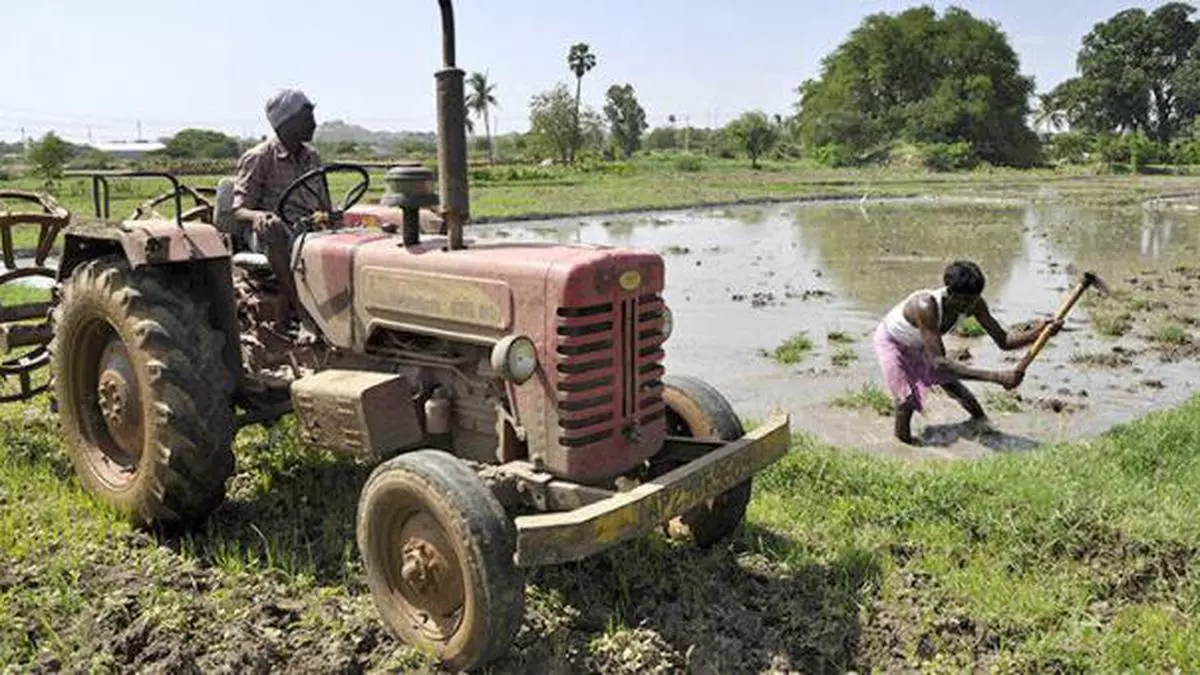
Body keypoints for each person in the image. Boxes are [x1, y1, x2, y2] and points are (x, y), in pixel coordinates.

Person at [872, 260, 1062, 445]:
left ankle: (983, 425)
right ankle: (904, 446)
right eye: (964, 300)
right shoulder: (926, 307)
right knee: (907, 402)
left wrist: (1040, 332)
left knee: (957, 390)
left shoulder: (975, 303)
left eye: (974, 299)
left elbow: (1004, 341)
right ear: (949, 291)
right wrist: (996, 377)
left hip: (920, 344)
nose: (970, 306)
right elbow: (938, 362)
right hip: (892, 342)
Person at [232, 88, 327, 321]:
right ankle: (302, 311)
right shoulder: (259, 157)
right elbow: (238, 209)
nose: (314, 124)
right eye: (307, 118)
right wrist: (257, 217)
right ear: (287, 122)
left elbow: (325, 202)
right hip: (269, 234)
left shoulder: (313, 157)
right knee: (275, 229)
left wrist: (332, 217)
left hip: (308, 228)